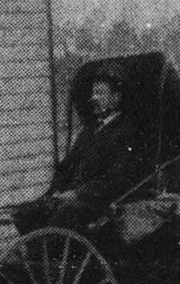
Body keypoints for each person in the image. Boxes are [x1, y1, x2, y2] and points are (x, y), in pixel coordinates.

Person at [14, 62, 153, 237]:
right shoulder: (90, 130)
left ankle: (53, 257)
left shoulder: (128, 132)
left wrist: (77, 193)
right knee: (25, 213)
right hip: (73, 197)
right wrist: (56, 189)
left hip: (100, 201)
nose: (93, 98)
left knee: (65, 214)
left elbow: (117, 178)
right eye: (93, 92)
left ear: (116, 97)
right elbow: (66, 165)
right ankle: (38, 258)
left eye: (100, 93)